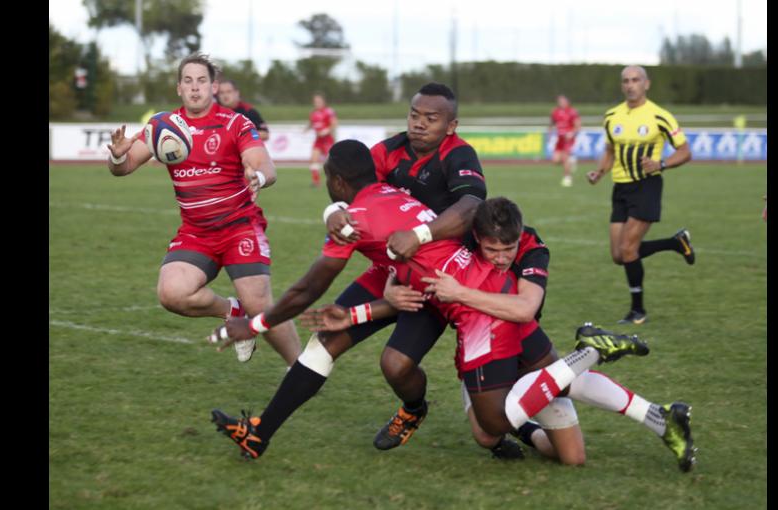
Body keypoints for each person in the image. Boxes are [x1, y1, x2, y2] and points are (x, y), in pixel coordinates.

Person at [206, 140, 651, 464]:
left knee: (482, 411)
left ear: (337, 182)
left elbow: (307, 290)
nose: (419, 125)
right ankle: (259, 434)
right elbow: (381, 240)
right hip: (423, 279)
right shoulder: (386, 186)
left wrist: (255, 324)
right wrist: (334, 215)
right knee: (327, 341)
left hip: (465, 300)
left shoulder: (368, 212)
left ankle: (588, 355)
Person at [385, 198, 696, 471]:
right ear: (477, 237)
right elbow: (409, 256)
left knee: (572, 456)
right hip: (482, 340)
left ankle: (596, 360)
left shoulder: (533, 248)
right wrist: (391, 288)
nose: (502, 257)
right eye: (492, 249)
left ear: (520, 236)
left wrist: (460, 292)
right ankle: (658, 413)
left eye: (509, 248)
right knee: (487, 433)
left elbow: (524, 309)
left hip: (520, 333)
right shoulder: (461, 239)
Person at [321, 82, 489, 450]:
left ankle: (518, 421)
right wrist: (333, 209)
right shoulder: (391, 149)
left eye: (432, 118)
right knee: (348, 346)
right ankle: (413, 409)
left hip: (444, 278)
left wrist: (421, 234)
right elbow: (353, 181)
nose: (420, 124)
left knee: (486, 426)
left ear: (451, 126)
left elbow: (472, 207)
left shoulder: (460, 155)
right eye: (415, 115)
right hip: (393, 270)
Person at [104, 52, 301, 366]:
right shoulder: (163, 126)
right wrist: (116, 155)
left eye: (202, 81)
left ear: (213, 87)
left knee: (259, 304)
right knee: (172, 293)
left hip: (239, 226)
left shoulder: (235, 122)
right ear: (178, 88)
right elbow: (124, 167)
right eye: (188, 81)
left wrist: (257, 175)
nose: (195, 87)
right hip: (196, 231)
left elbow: (264, 164)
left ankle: (301, 368)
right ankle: (231, 311)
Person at [586, 65, 695, 325]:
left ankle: (638, 310)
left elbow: (685, 151)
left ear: (646, 84)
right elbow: (610, 150)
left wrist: (662, 164)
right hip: (620, 188)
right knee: (618, 254)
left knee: (628, 249)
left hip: (647, 186)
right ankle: (675, 242)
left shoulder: (660, 116)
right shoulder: (612, 116)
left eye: (635, 80)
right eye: (626, 81)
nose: (630, 85)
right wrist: (599, 171)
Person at [305, 93, 337, 187]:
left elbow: (334, 123)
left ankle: (335, 180)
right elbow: (311, 124)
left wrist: (325, 131)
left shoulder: (329, 111)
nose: (316, 103)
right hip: (318, 140)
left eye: (318, 101)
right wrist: (305, 129)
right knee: (313, 159)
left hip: (327, 140)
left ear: (323, 102)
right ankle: (316, 182)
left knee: (331, 162)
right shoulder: (313, 113)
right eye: (315, 102)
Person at [548, 95, 581, 187]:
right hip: (560, 139)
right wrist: (550, 135)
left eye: (563, 101)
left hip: (568, 139)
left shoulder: (572, 112)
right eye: (559, 101)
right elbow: (551, 124)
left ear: (567, 102)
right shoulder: (555, 112)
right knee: (555, 161)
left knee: (565, 156)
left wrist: (572, 133)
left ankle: (567, 178)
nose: (561, 103)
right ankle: (572, 161)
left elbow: (578, 126)